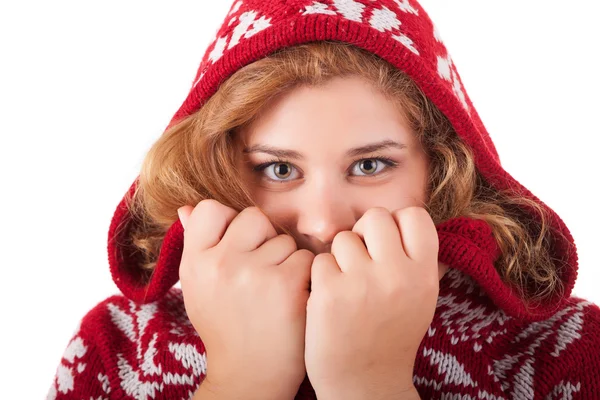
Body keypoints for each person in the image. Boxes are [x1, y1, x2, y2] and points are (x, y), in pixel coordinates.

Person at [47, 1, 600, 399]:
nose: (324, 222)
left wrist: (370, 384)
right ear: (214, 166)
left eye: (370, 165)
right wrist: (242, 379)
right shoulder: (117, 350)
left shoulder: (562, 353)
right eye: (279, 169)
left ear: (442, 167)